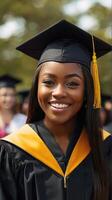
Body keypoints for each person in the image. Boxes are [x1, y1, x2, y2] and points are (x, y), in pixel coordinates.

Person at [0, 20, 112, 200]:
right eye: (49, 82)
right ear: (37, 87)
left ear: (87, 91)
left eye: (72, 84)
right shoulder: (12, 151)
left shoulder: (105, 147)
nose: (59, 92)